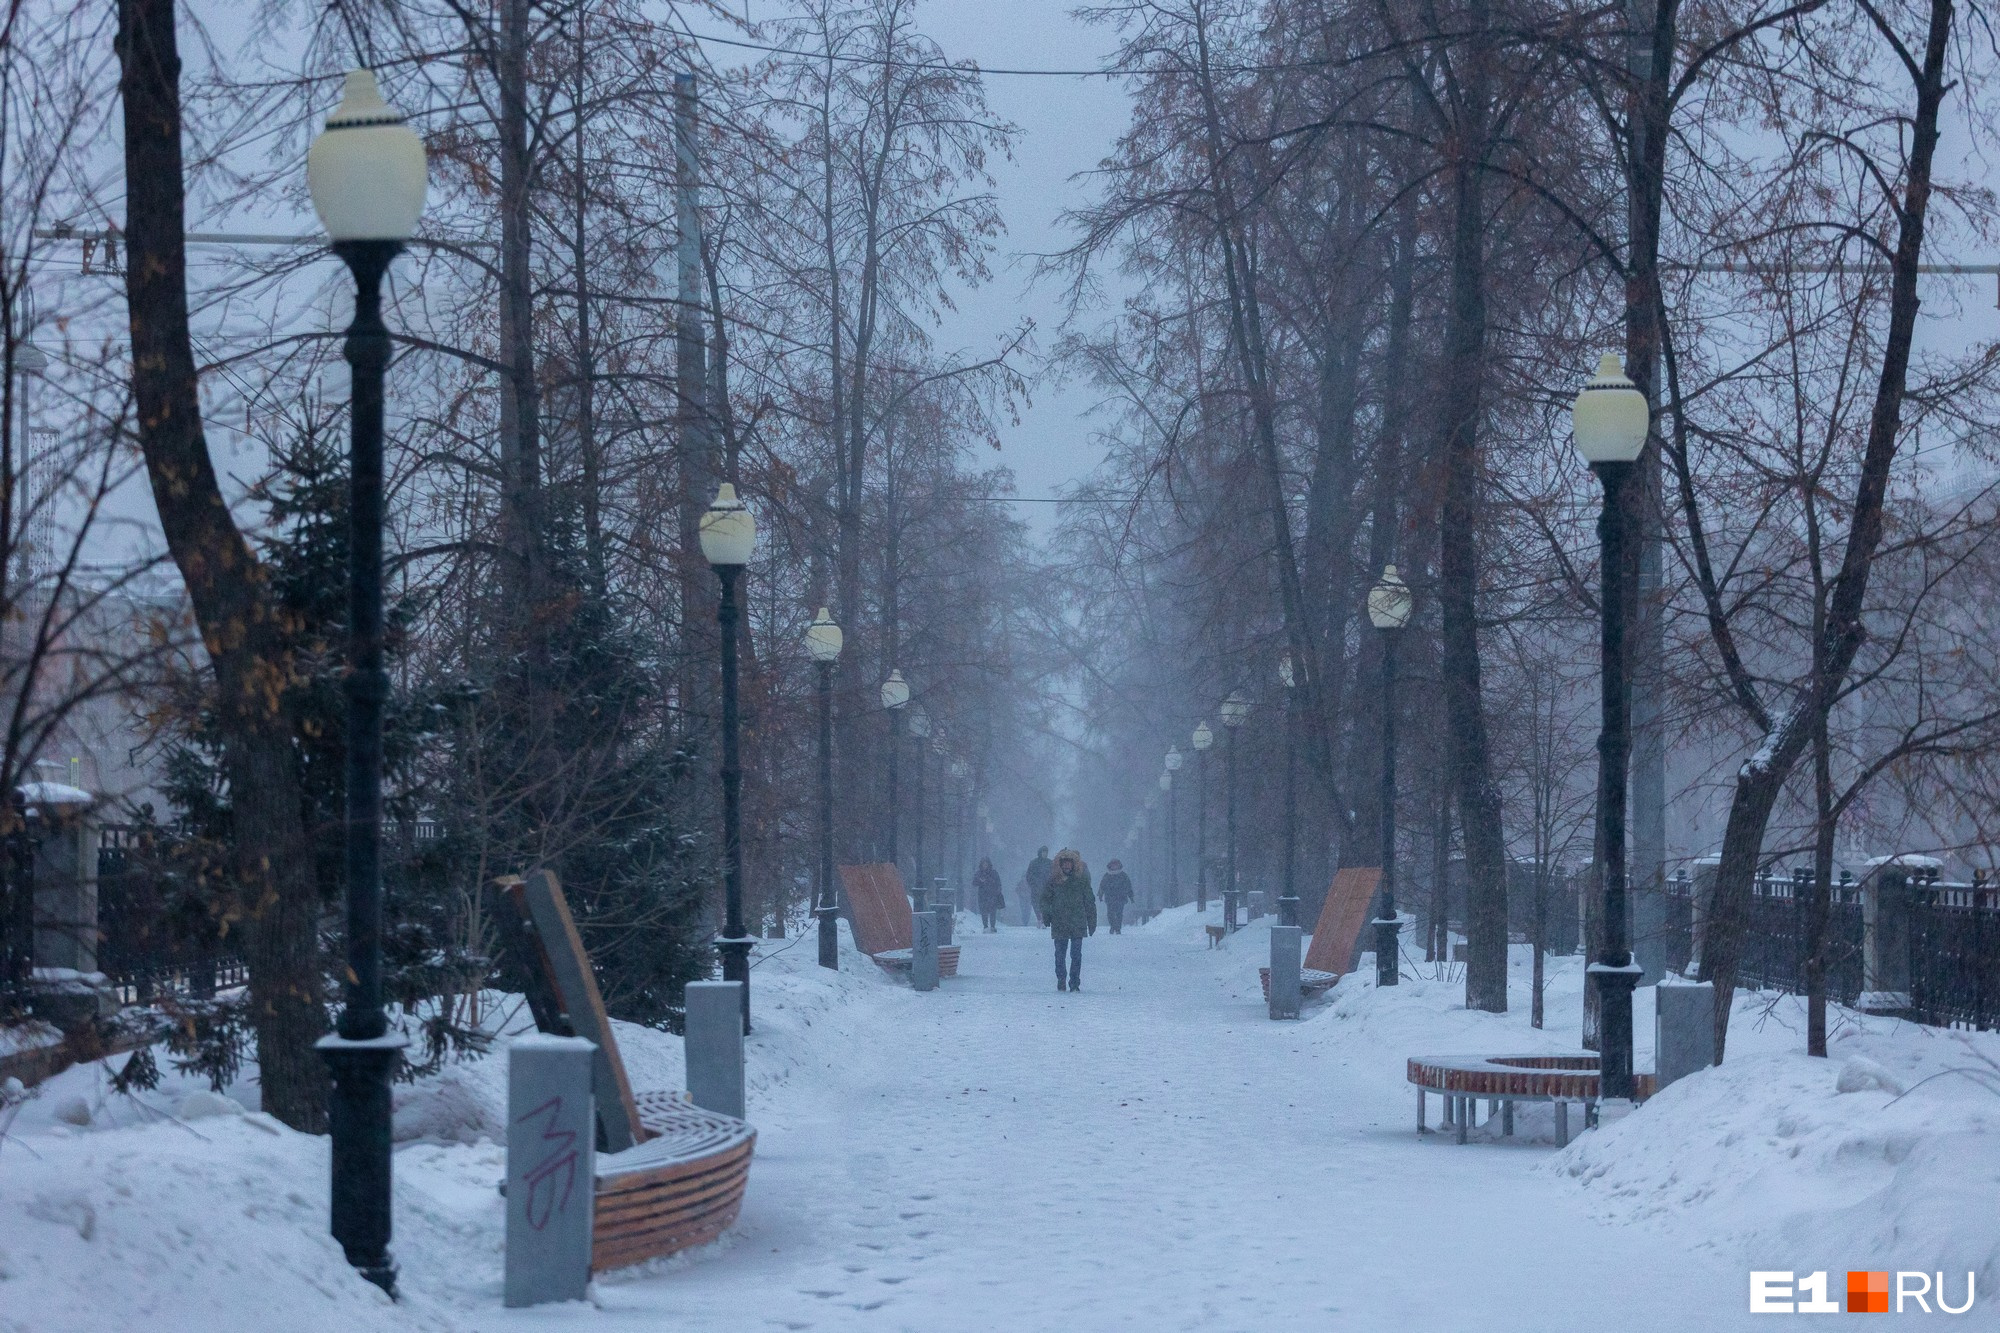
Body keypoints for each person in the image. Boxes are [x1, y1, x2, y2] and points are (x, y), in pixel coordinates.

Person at [1037, 848, 1096, 993]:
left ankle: (1075, 982)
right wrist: (1047, 915)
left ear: (1074, 864)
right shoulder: (1053, 881)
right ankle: (1061, 979)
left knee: (1076, 954)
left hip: (1077, 921)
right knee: (1060, 953)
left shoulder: (1081, 880)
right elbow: (1045, 899)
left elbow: (1089, 901)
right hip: (1060, 922)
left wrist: (1091, 921)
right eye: (1064, 863)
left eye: (1069, 863)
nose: (1067, 866)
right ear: (1060, 864)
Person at [1098, 859, 1134, 934]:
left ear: (1119, 865)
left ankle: (1118, 928)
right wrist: (1100, 895)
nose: (1114, 866)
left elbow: (1128, 886)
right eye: (1113, 865)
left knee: (1119, 913)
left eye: (1116, 865)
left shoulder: (1123, 875)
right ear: (1110, 866)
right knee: (1110, 913)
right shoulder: (1107, 875)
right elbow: (1102, 886)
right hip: (1109, 898)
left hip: (1121, 898)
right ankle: (1113, 926)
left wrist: (1131, 896)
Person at [1023, 846, 1055, 925]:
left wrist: (1051, 884)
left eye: (1046, 852)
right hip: (1036, 888)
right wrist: (1033, 884)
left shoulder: (1050, 863)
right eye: (1043, 852)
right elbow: (1029, 875)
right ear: (1040, 852)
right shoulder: (1034, 862)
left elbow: (1054, 874)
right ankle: (1039, 918)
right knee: (1035, 903)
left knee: (1046, 904)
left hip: (1046, 888)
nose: (1045, 854)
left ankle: (1043, 919)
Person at [974, 857, 1004, 932]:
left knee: (993, 911)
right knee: (983, 911)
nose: (985, 865)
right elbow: (974, 883)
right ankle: (985, 926)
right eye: (983, 864)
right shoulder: (979, 873)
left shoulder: (994, 873)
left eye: (986, 864)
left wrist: (997, 891)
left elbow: (998, 883)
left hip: (992, 894)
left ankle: (992, 926)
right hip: (982, 895)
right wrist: (980, 881)